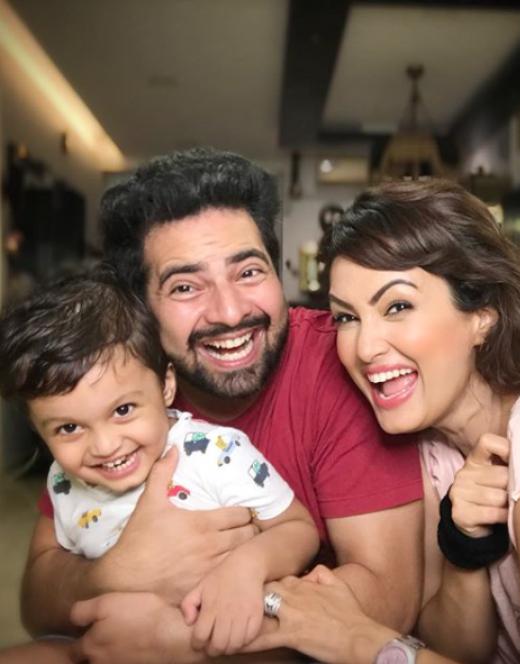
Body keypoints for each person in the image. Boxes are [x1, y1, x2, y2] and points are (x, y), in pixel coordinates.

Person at [21, 149, 424, 663]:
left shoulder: (340, 360)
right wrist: (117, 571)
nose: (230, 312)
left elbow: (390, 598)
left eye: (249, 272)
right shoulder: (110, 393)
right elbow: (37, 604)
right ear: (141, 310)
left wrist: (180, 637)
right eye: (185, 286)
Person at [251, 179, 520, 664]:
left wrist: (353, 639)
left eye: (397, 307)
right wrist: (466, 548)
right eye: (347, 317)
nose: (364, 348)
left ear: (483, 316)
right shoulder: (434, 445)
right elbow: (454, 648)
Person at [0, 268, 320, 657]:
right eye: (69, 428)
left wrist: (247, 566)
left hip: (212, 644)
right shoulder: (63, 480)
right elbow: (43, 601)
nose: (104, 445)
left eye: (123, 410)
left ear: (166, 386)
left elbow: (298, 529)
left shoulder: (216, 452)